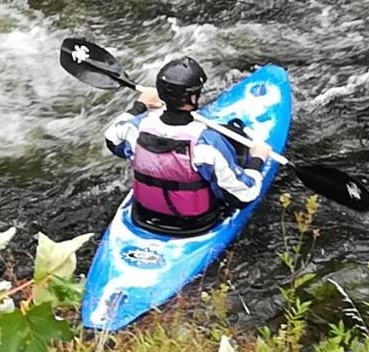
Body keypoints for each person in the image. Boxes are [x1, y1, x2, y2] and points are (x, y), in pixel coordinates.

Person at [103, 58, 271, 233]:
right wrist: (257, 161)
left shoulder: (135, 128)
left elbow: (111, 139)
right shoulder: (207, 144)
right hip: (194, 224)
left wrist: (140, 105)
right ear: (193, 97)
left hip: (144, 216)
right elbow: (244, 196)